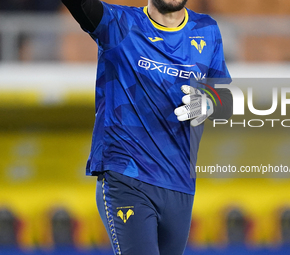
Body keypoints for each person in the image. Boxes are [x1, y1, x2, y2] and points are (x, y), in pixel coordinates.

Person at [62, 0, 233, 254]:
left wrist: (207, 104)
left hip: (179, 184)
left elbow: (225, 101)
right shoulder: (119, 24)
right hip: (127, 175)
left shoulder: (207, 30)